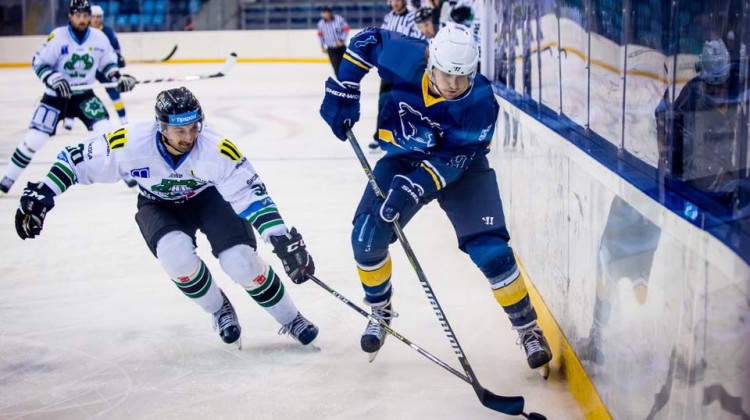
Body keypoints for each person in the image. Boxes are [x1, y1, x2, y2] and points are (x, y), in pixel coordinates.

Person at [319, 27, 553, 370]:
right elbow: (366, 42)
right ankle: (381, 310)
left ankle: (528, 328)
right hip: (402, 158)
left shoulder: (480, 101)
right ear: (430, 63)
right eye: (446, 74)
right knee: (366, 239)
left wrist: (412, 188)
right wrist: (346, 87)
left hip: (463, 168)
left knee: (491, 251)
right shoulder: (405, 55)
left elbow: (453, 161)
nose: (454, 85)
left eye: (463, 76)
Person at [14, 86, 320, 348]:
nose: (190, 137)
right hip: (157, 204)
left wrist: (281, 238)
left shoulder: (217, 149)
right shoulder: (130, 142)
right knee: (176, 258)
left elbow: (251, 195)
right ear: (161, 128)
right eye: (180, 130)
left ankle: (291, 318)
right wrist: (44, 192)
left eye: (194, 127)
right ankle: (219, 309)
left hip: (209, 199)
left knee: (241, 262)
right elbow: (74, 159)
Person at [0, 0, 136, 194]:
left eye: (85, 16)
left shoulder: (99, 38)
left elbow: (108, 64)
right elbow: (39, 62)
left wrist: (118, 77)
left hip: (84, 96)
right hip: (56, 97)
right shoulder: (58, 37)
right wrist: (53, 79)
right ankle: (8, 178)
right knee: (34, 139)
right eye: (78, 15)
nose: (82, 20)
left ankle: (126, 174)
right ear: (70, 16)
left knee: (107, 133)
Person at [368, 0, 424, 152]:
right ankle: (379, 137)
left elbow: (417, 40)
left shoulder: (412, 18)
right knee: (383, 103)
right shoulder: (389, 17)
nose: (395, 3)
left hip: (405, 69)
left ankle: (406, 137)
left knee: (404, 104)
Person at [90, 4, 129, 125]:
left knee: (113, 90)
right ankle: (69, 119)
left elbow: (115, 48)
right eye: (93, 17)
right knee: (78, 90)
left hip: (104, 67)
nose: (96, 19)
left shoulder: (108, 32)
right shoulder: (84, 32)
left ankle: (123, 119)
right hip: (88, 68)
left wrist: (118, 58)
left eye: (98, 17)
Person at [316, 5, 350, 76]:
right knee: (336, 68)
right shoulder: (321, 24)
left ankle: (348, 80)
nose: (328, 14)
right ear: (322, 14)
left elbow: (346, 29)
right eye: (325, 13)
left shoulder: (339, 19)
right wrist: (322, 46)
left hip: (341, 47)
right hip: (331, 49)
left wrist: (341, 40)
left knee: (346, 66)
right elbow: (320, 35)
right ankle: (341, 81)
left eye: (329, 12)